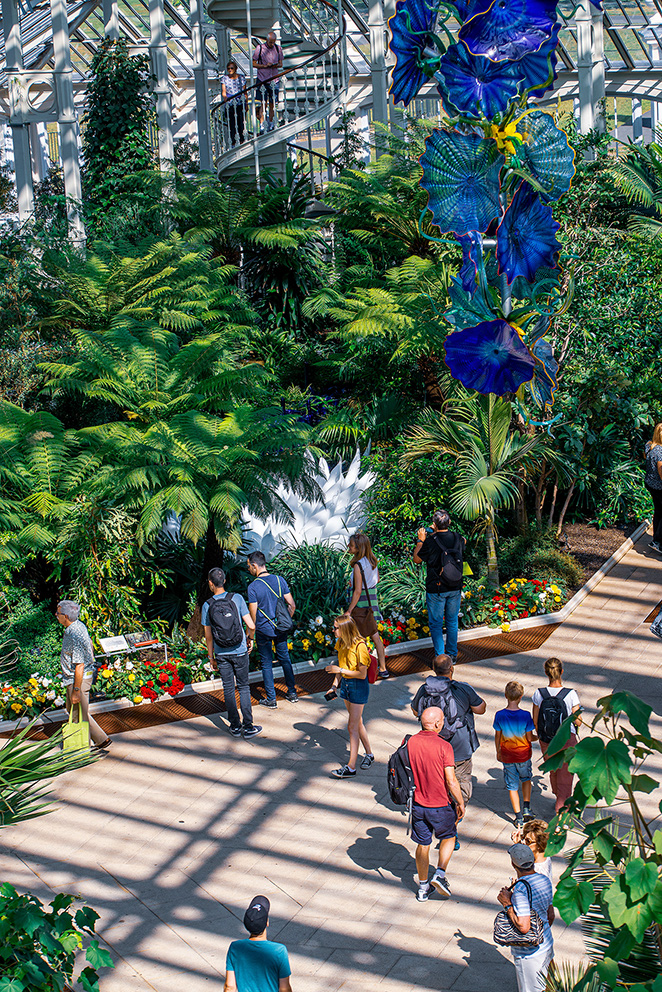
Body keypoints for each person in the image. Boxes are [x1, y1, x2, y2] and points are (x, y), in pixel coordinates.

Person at [411, 654, 486, 817]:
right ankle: (452, 826)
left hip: (432, 749)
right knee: (461, 786)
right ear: (451, 669)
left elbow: (416, 711)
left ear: (433, 670)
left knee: (438, 784)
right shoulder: (462, 689)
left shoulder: (424, 690)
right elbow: (481, 708)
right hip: (460, 749)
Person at [407, 705, 465, 901]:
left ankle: (423, 888)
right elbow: (451, 780)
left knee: (422, 844)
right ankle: (440, 874)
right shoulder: (444, 746)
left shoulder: (411, 742)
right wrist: (460, 802)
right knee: (449, 836)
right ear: (438, 723)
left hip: (418, 804)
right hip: (440, 804)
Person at [202, 568, 262, 739]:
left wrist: (211, 656)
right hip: (240, 650)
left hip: (221, 653)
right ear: (225, 581)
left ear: (210, 583)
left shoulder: (208, 605)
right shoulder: (236, 598)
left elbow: (208, 635)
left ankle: (234, 726)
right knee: (243, 687)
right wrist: (250, 639)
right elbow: (251, 625)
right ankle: (249, 727)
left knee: (228, 688)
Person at [497, 843, 554, 992]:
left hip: (529, 954)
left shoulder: (521, 890)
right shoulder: (544, 880)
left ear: (513, 864)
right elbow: (550, 915)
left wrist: (508, 904)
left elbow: (524, 926)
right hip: (546, 944)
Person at [55, 600, 110, 750]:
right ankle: (100, 739)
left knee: (78, 715)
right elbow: (90, 645)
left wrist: (76, 691)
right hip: (73, 678)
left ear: (65, 616)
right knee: (76, 710)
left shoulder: (75, 633)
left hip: (78, 679)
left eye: (58, 613)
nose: (56, 615)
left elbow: (79, 665)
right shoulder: (76, 626)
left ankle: (79, 749)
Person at [413, 509, 466, 662]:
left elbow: (417, 559)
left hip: (436, 588)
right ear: (449, 522)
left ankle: (441, 658)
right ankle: (452, 655)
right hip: (455, 586)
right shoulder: (458, 538)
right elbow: (464, 542)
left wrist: (421, 540)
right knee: (452, 621)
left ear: (434, 524)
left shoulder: (430, 541)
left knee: (436, 624)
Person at [246, 551, 298, 708]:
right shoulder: (279, 579)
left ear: (255, 565)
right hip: (280, 629)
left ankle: (271, 699)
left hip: (263, 630)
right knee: (285, 659)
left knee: (266, 663)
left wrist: (250, 637)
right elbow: (292, 604)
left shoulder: (253, 587)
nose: (248, 569)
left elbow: (252, 616)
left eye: (249, 566)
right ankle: (292, 693)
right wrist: (285, 620)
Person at [324, 615, 373, 779]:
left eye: (335, 627)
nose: (333, 630)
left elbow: (362, 674)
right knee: (357, 723)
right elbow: (340, 667)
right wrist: (333, 686)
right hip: (345, 685)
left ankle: (351, 767)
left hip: (358, 687)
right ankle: (369, 754)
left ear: (344, 628)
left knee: (352, 727)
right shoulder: (341, 643)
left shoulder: (360, 646)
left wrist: (340, 671)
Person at [532, 657, 581, 814]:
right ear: (562, 672)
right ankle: (561, 810)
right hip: (566, 738)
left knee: (553, 770)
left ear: (546, 673)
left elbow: (535, 721)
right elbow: (578, 722)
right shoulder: (571, 694)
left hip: (546, 740)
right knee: (566, 775)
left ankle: (557, 795)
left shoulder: (539, 694)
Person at [224, 895, 292, 992]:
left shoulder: (235, 948)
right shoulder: (279, 951)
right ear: (267, 922)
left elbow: (229, 987)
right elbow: (284, 988)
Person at [345, 532, 389, 679]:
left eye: (351, 545)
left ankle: (361, 669)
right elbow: (376, 581)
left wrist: (349, 610)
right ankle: (383, 668)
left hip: (361, 602)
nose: (348, 547)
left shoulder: (358, 565)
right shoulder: (372, 562)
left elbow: (357, 591)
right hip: (372, 600)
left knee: (358, 637)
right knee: (375, 635)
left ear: (358, 548)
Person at [494, 680, 537, 828]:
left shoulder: (499, 715)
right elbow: (530, 737)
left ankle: (518, 817)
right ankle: (526, 808)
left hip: (507, 756)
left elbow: (497, 736)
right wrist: (538, 738)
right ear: (521, 697)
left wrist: (498, 751)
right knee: (526, 779)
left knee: (512, 786)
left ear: (506, 695)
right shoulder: (525, 715)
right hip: (524, 755)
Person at [252, 32, 283, 132]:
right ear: (266, 40)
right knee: (263, 103)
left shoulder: (278, 49)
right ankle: (262, 124)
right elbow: (254, 63)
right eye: (270, 42)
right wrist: (265, 66)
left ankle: (271, 123)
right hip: (263, 79)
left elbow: (280, 64)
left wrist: (274, 65)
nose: (272, 45)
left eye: (273, 42)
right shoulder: (260, 48)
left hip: (274, 79)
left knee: (273, 103)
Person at [644, 422, 662, 553]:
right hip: (659, 486)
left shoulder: (649, 446)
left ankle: (656, 540)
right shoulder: (660, 451)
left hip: (651, 484)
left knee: (659, 512)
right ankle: (658, 542)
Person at [221, 59, 247, 146]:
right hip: (230, 103)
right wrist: (225, 98)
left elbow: (244, 91)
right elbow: (224, 91)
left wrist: (246, 103)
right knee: (232, 123)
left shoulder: (241, 78)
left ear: (235, 69)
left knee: (241, 122)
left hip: (239, 102)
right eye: (228, 68)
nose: (230, 70)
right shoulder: (225, 78)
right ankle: (234, 141)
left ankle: (242, 139)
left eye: (231, 68)